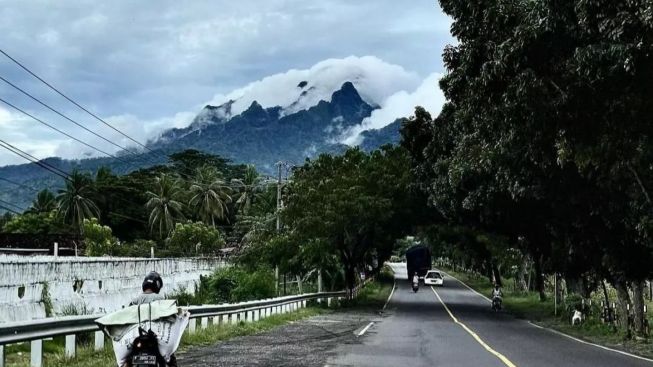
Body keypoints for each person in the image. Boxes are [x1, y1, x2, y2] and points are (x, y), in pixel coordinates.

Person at [130, 271, 177, 367]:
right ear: (157, 285)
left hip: (137, 336)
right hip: (155, 336)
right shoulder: (162, 298)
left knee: (126, 359)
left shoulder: (135, 300)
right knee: (170, 358)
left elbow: (127, 316)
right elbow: (170, 316)